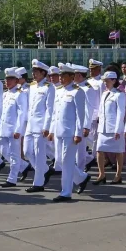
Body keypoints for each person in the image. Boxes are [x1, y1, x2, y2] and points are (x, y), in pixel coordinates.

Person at [52, 64, 91, 201]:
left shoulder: (77, 92)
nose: (61, 78)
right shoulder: (58, 91)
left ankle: (66, 192)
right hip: (58, 131)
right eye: (60, 76)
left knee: (67, 162)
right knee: (60, 161)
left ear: (71, 77)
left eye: (64, 76)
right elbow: (54, 113)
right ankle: (82, 177)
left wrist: (78, 134)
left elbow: (80, 115)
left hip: (70, 132)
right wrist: (52, 130)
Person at [23, 60, 55, 192]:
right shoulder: (32, 86)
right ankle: (45, 170)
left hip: (41, 126)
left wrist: (47, 127)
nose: (33, 74)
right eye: (33, 71)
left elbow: (50, 109)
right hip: (30, 125)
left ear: (43, 73)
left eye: (36, 72)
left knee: (39, 154)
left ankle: (38, 183)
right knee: (27, 152)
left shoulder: (49, 87)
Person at [93, 71, 126, 185]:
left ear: (114, 81)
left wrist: (118, 129)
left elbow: (121, 113)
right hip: (103, 127)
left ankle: (118, 175)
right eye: (104, 81)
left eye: (107, 81)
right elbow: (101, 110)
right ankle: (101, 174)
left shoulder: (119, 94)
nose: (105, 83)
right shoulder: (104, 94)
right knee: (99, 150)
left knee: (118, 152)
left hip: (114, 128)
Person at [0, 68, 29, 188]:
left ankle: (12, 179)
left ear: (17, 81)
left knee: (14, 155)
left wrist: (18, 130)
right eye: (6, 79)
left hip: (13, 130)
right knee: (3, 151)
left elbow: (22, 114)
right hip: (3, 129)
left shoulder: (20, 94)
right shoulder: (5, 94)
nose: (7, 81)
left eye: (10, 79)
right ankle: (24, 166)